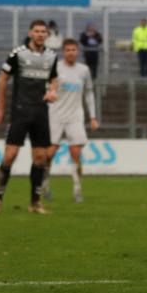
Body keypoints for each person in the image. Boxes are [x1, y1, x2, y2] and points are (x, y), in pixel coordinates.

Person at [0, 20, 58, 214]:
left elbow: (54, 78)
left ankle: (35, 203)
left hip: (41, 112)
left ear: (47, 35)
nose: (40, 34)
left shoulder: (52, 56)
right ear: (30, 33)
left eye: (44, 32)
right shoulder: (17, 54)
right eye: (37, 31)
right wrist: (0, 107)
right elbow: (2, 78)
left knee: (41, 157)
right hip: (20, 111)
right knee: (10, 155)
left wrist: (53, 90)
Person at [43, 39, 98, 203]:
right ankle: (45, 184)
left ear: (78, 51)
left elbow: (89, 93)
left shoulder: (83, 70)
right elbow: (47, 90)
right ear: (63, 52)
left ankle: (77, 189)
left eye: (74, 49)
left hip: (75, 116)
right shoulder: (56, 68)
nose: (71, 52)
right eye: (68, 50)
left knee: (75, 154)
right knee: (49, 154)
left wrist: (92, 117)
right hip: (56, 115)